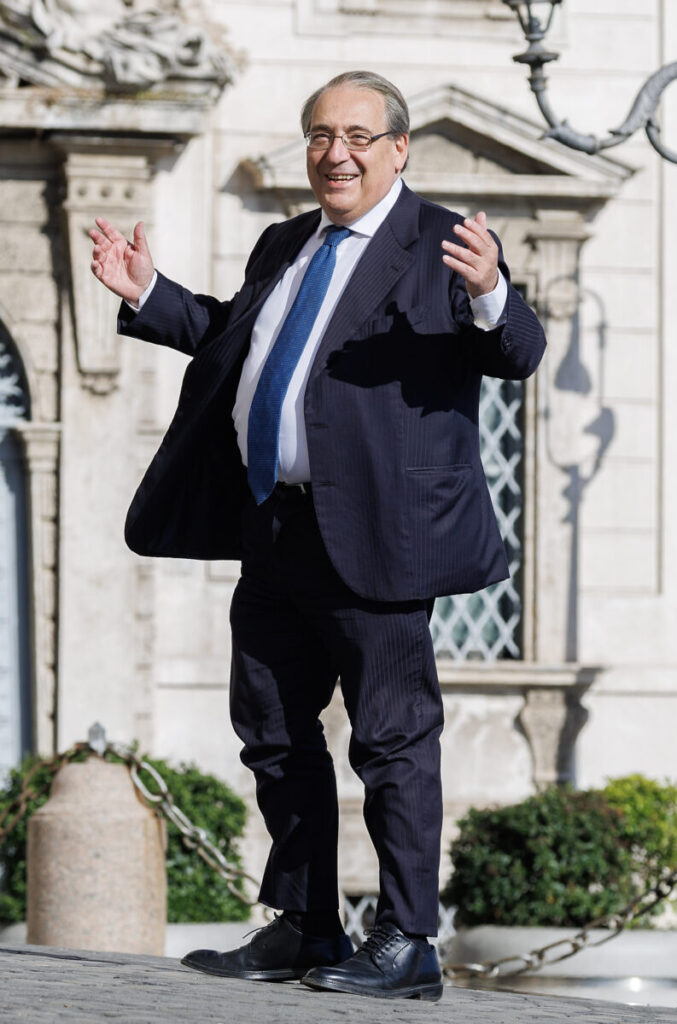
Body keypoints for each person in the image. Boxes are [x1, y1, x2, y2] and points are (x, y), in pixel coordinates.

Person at [90, 69, 545, 1002]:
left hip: (380, 536)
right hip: (276, 524)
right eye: (320, 136)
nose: (335, 154)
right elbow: (238, 339)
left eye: (357, 137)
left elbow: (516, 351)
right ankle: (305, 922)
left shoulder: (439, 243)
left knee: (391, 741)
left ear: (398, 149)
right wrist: (151, 293)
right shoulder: (286, 241)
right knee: (270, 731)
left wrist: (493, 290)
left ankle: (408, 940)